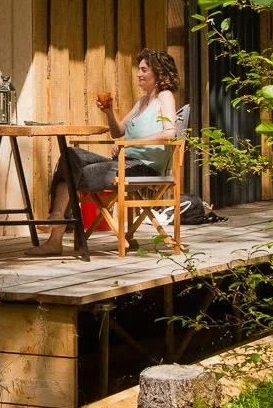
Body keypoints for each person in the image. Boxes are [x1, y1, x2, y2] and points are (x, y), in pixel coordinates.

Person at [39, 47, 180, 255]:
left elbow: (170, 132)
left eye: (143, 70)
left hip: (143, 168)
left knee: (72, 170)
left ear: (158, 72)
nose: (138, 74)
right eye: (138, 69)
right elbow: (117, 132)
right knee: (70, 155)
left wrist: (131, 143)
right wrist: (109, 112)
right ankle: (57, 219)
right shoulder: (142, 101)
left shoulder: (165, 96)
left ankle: (56, 230)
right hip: (122, 163)